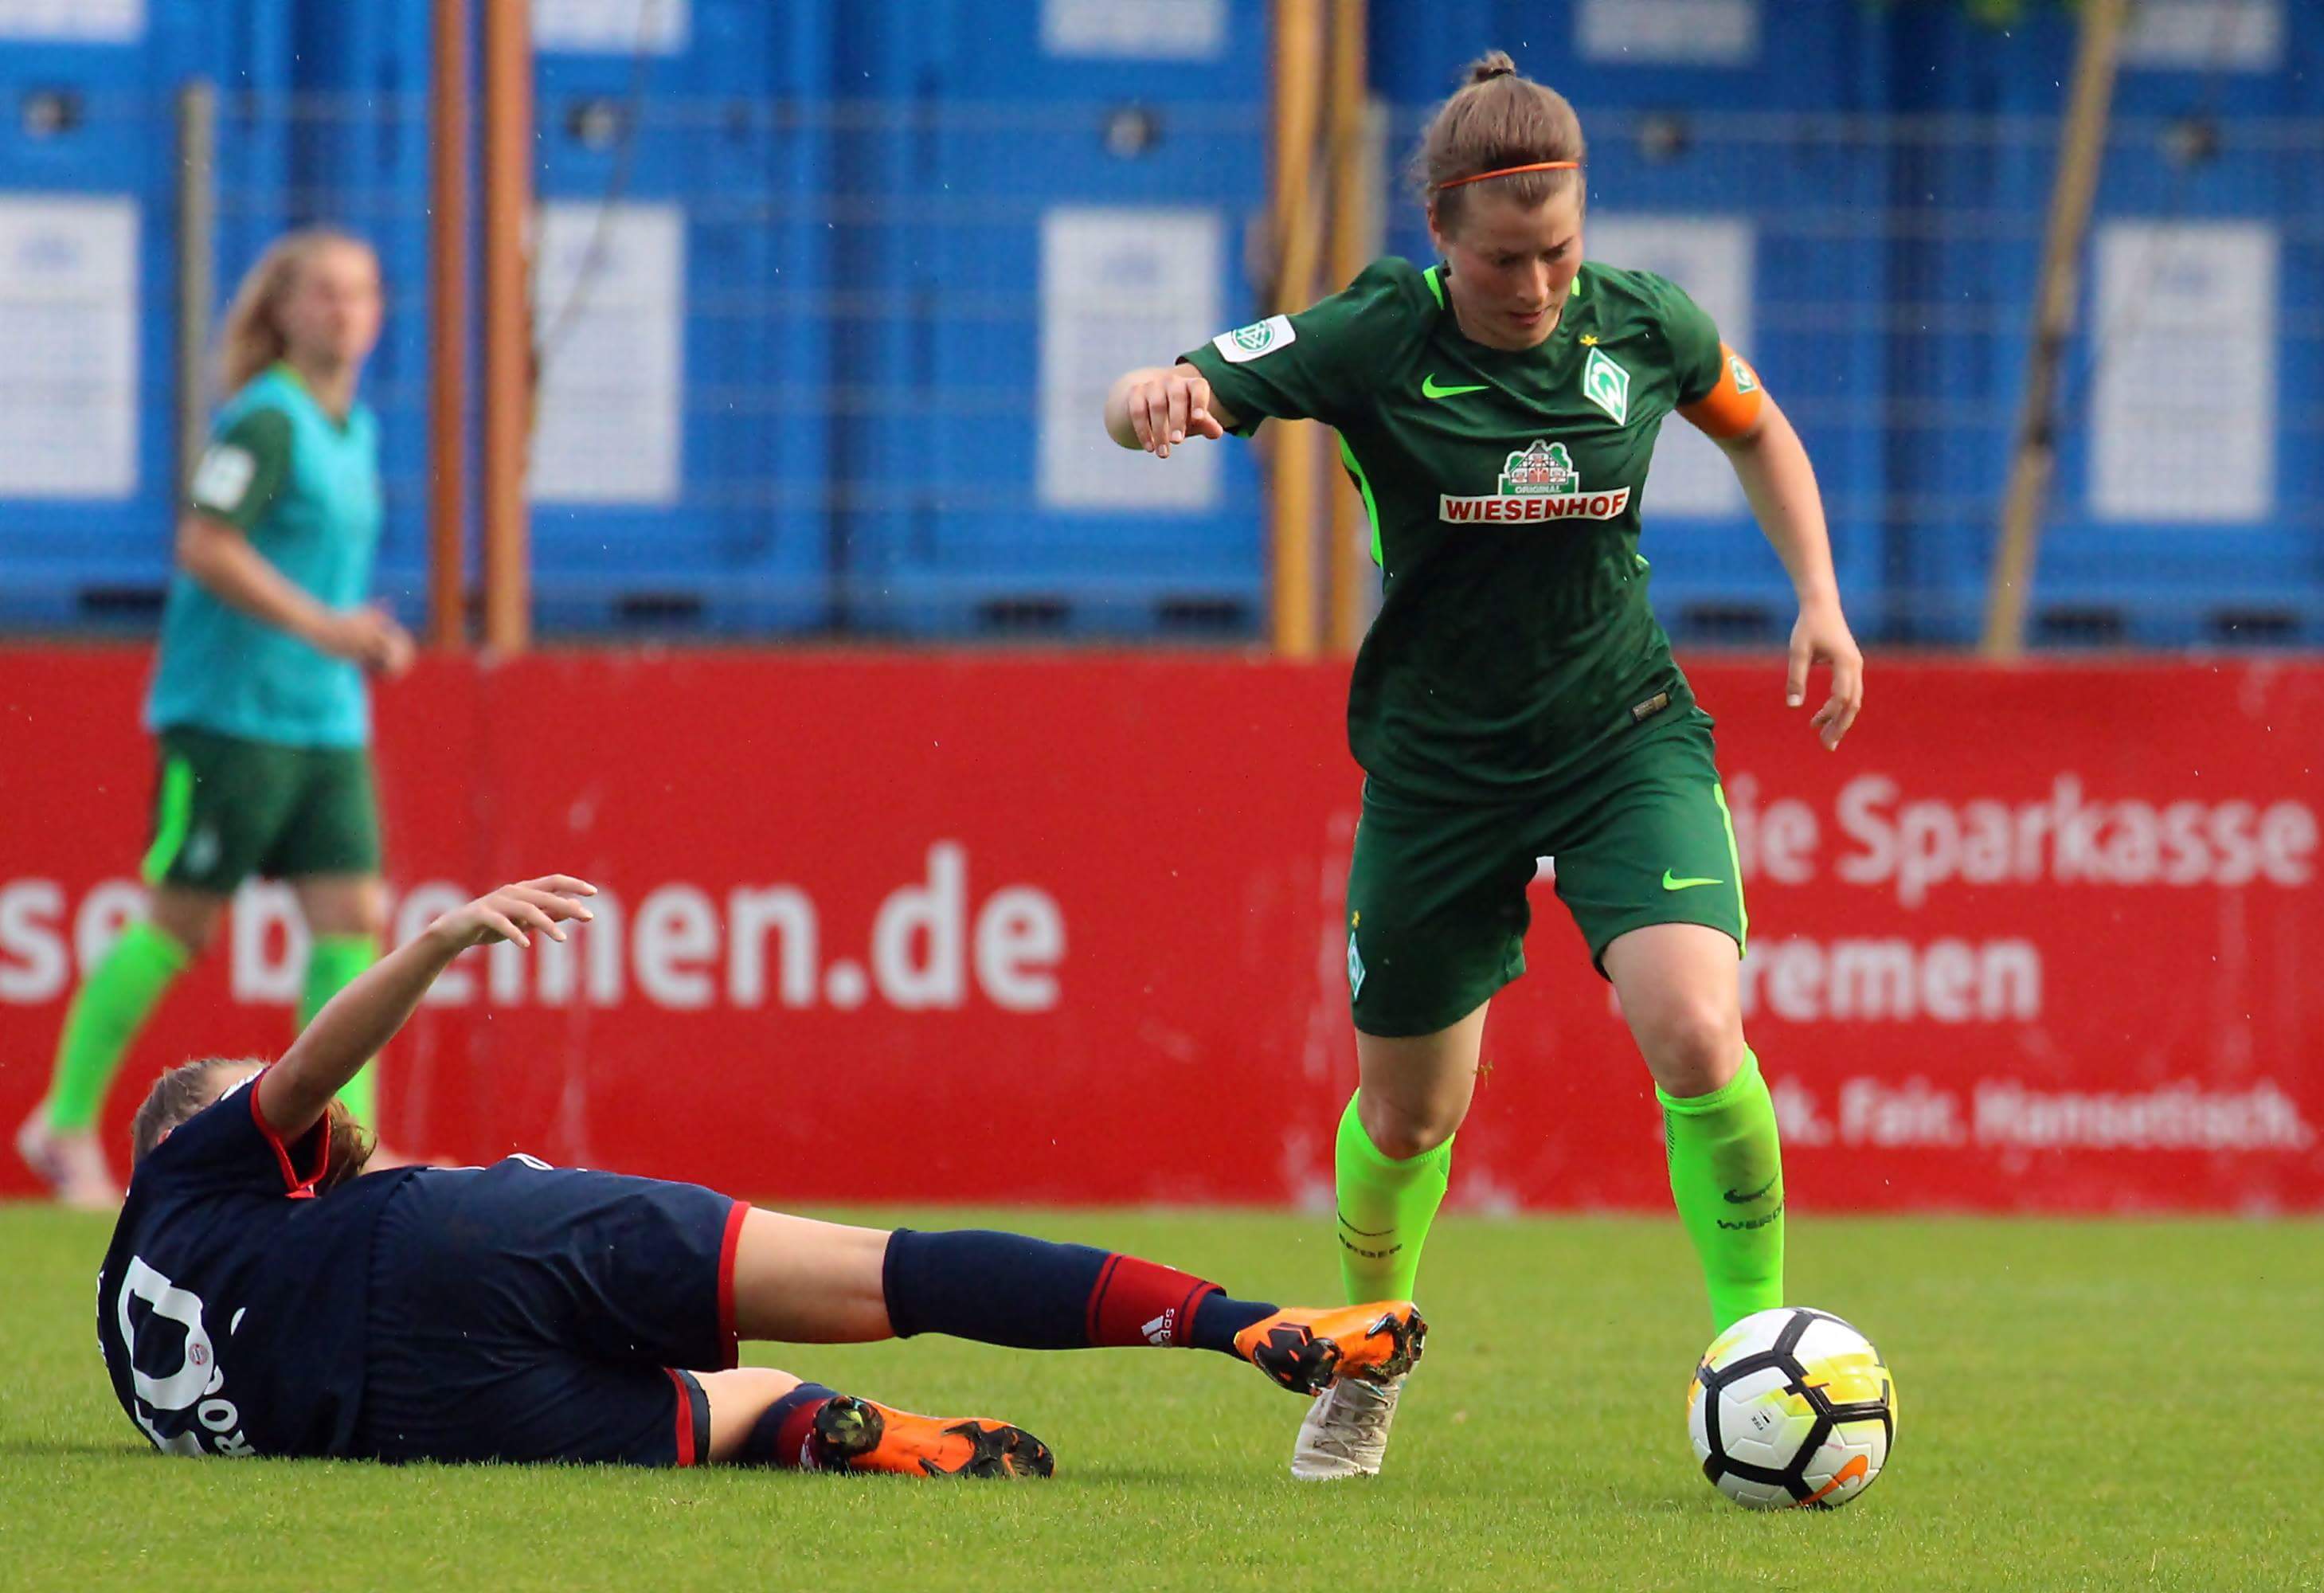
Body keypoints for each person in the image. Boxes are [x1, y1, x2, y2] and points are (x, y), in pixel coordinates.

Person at [1101, 52, 1863, 1481]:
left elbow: (1760, 431)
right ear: (1442, 233)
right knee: (1411, 1115)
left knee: (1698, 1033)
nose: (1538, 284)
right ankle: (1368, 1358)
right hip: (1439, 772)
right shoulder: (1378, 334)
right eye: (1507, 259)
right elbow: (1188, 383)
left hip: (1624, 737)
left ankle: (1756, 1356)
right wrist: (1153, 393)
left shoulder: (1644, 323)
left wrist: (1819, 597)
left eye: (1559, 249)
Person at [100, 876, 1427, 1475]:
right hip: (453, 1240)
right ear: (182, 1140)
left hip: (422, 1424)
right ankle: (1243, 1324)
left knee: (735, 1406)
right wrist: (437, 943)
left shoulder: (129, 1341)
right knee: (884, 1273)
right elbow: (306, 1074)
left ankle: (864, 1435)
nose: (298, 1123)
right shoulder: (186, 1169)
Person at [18, 228, 417, 1207]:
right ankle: (62, 1120)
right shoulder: (266, 421)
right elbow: (205, 544)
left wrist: (362, 638)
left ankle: (344, 1153)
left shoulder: (354, 427)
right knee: (182, 921)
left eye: (361, 292)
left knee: (353, 919)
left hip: (326, 719)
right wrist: (327, 628)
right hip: (232, 715)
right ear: (281, 310)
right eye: (324, 292)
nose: (345, 311)